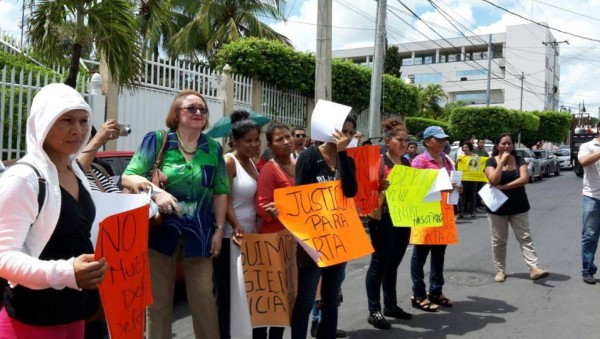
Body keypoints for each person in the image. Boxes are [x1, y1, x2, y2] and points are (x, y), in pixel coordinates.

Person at [0, 83, 107, 337]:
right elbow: (4, 258)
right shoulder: (24, 178)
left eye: (83, 121)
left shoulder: (77, 172)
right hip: (32, 320)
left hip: (77, 315)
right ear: (43, 123)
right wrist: (67, 273)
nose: (78, 130)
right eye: (66, 120)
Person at [121, 89, 229, 339]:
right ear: (176, 114)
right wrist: (157, 192)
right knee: (158, 304)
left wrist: (219, 230)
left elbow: (221, 190)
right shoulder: (158, 140)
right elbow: (129, 175)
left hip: (201, 233)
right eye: (192, 108)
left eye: (203, 109)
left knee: (204, 300)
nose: (199, 112)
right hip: (160, 232)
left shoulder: (213, 148)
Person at [291, 116, 358, 339]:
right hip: (314, 238)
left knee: (331, 297)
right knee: (307, 297)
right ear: (331, 131)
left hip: (339, 237)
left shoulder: (347, 160)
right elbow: (299, 195)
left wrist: (341, 153)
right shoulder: (309, 156)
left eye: (350, 133)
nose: (346, 137)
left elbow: (350, 191)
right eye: (342, 131)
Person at [215, 110, 260, 339]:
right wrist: (235, 224)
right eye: (248, 140)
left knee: (247, 298)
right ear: (235, 140)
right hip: (233, 237)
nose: (254, 144)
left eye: (256, 139)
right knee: (231, 297)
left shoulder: (252, 162)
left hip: (251, 236)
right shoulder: (228, 161)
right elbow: (224, 198)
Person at [365, 118, 413, 330]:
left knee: (393, 263)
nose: (404, 144)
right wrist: (377, 186)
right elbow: (364, 192)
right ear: (388, 141)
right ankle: (374, 310)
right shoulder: (379, 162)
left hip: (403, 218)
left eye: (406, 140)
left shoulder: (407, 163)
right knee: (379, 264)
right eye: (399, 140)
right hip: (383, 219)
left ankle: (391, 305)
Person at [484, 133, 549, 283]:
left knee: (525, 238)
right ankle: (500, 270)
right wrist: (502, 162)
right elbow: (493, 180)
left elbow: (524, 179)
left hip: (519, 206)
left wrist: (504, 187)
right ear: (497, 145)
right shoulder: (490, 162)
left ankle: (534, 268)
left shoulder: (519, 160)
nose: (507, 146)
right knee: (499, 240)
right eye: (503, 143)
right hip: (497, 209)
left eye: (509, 143)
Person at [410, 126, 457, 312]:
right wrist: (443, 187)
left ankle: (436, 291)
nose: (441, 143)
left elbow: (450, 184)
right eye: (437, 139)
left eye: (443, 139)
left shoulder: (447, 160)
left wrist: (456, 187)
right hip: (425, 213)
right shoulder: (419, 161)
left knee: (439, 254)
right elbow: (416, 189)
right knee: (420, 255)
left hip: (444, 213)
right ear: (427, 141)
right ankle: (418, 294)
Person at [254, 121, 294, 338]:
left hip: (291, 240)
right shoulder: (270, 169)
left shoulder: (296, 164)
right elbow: (262, 206)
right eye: (279, 139)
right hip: (271, 241)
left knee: (284, 300)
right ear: (270, 144)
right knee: (269, 300)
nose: (286, 142)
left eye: (287, 137)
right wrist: (276, 210)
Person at [578, 126, 600, 284]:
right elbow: (584, 161)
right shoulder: (587, 146)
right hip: (593, 197)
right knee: (590, 236)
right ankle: (587, 270)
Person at [458, 142, 479, 219]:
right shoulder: (461, 157)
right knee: (462, 195)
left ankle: (472, 211)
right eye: (463, 147)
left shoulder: (475, 156)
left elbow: (478, 167)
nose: (464, 149)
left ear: (470, 148)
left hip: (473, 178)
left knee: (472, 195)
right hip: (463, 178)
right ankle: (461, 212)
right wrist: (458, 161)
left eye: (466, 147)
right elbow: (457, 167)